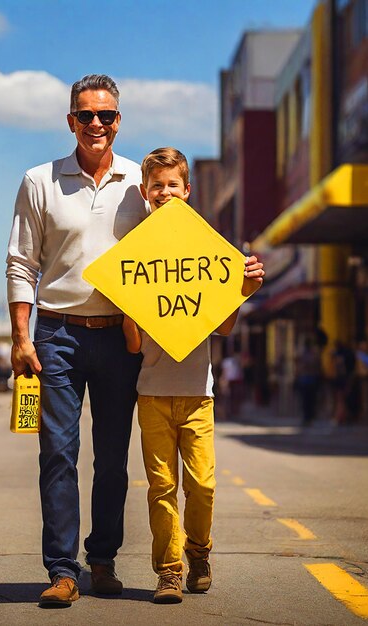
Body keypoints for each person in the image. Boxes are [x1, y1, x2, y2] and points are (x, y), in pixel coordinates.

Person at [6, 74, 148, 607]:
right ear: (70, 121)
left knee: (112, 458)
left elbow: (174, 249)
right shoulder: (39, 181)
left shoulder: (140, 182)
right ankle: (63, 570)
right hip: (57, 334)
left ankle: (103, 560)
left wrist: (239, 274)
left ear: (118, 121)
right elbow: (22, 263)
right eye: (86, 115)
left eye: (106, 116)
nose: (96, 124)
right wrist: (22, 337)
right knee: (58, 454)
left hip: (121, 338)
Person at [122, 147, 265, 604]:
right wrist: (129, 307)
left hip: (197, 394)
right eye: (157, 186)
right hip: (152, 394)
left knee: (202, 485)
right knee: (161, 489)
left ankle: (199, 551)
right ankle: (169, 571)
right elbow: (131, 344)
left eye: (173, 185)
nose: (165, 193)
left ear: (188, 191)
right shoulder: (135, 254)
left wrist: (245, 289)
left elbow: (223, 326)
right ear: (147, 194)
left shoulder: (207, 251)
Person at [294, 336, 322, 426]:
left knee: (307, 401)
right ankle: (308, 418)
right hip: (308, 380)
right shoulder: (312, 354)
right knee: (309, 401)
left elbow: (300, 367)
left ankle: (308, 418)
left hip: (307, 380)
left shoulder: (304, 354)